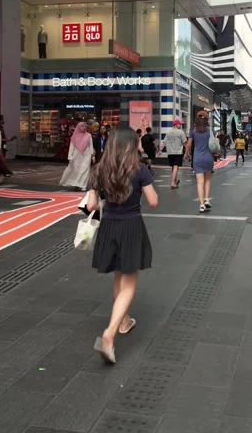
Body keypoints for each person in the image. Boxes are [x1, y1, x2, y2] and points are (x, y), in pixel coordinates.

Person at [87, 128, 158, 365]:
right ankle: (110, 333)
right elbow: (153, 201)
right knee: (129, 282)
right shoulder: (140, 169)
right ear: (132, 145)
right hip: (131, 226)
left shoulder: (99, 169)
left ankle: (124, 321)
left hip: (109, 226)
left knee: (118, 276)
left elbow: (90, 205)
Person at [185, 111, 214, 213]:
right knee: (207, 180)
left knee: (199, 182)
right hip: (208, 157)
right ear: (207, 119)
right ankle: (206, 199)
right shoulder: (210, 130)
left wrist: (186, 154)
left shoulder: (193, 130)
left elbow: (189, 145)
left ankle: (201, 205)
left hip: (197, 158)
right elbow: (214, 143)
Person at [60, 121, 94, 190]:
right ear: (78, 127)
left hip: (86, 155)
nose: (84, 127)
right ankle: (76, 183)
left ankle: (82, 185)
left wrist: (92, 156)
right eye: (82, 126)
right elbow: (71, 147)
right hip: (76, 155)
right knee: (77, 170)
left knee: (85, 169)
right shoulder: (74, 136)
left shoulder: (89, 135)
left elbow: (91, 146)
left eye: (85, 126)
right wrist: (70, 156)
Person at [163, 119, 187, 189]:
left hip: (170, 152)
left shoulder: (168, 132)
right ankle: (173, 183)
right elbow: (185, 143)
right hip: (178, 152)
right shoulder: (181, 132)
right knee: (176, 166)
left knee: (173, 167)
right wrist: (187, 152)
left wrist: (160, 150)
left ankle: (175, 181)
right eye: (180, 124)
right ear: (176, 124)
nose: (181, 125)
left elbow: (164, 142)